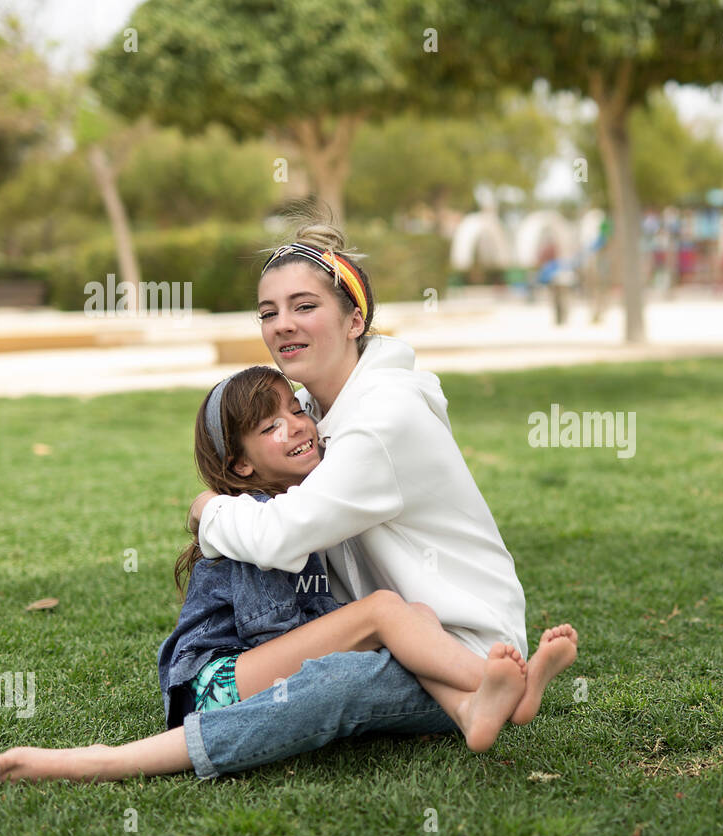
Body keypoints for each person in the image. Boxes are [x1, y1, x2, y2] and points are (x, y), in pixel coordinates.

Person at [0, 366, 541, 783]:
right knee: (383, 612)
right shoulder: (253, 523)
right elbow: (274, 638)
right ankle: (493, 686)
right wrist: (356, 642)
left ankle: (474, 707)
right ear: (242, 465)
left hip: (255, 669)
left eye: (297, 411)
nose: (298, 425)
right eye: (272, 425)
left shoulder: (303, 505)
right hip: (216, 684)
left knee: (413, 615)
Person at [187, 216, 577, 731]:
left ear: (354, 321)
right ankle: (484, 704)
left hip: (457, 642)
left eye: (305, 306)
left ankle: (501, 692)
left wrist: (207, 509)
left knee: (312, 692)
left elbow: (280, 536)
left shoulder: (382, 419)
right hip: (389, 630)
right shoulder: (310, 411)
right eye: (268, 312)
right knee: (319, 671)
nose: (282, 323)